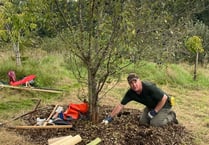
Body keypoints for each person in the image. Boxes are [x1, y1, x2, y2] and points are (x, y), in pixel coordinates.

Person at [102, 73, 178, 127]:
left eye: (135, 81)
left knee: (154, 124)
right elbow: (120, 105)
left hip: (164, 104)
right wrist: (109, 118)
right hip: (151, 106)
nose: (134, 85)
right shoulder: (131, 93)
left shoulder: (149, 87)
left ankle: (171, 116)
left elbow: (164, 98)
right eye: (131, 83)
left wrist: (155, 111)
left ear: (139, 80)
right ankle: (153, 112)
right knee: (143, 122)